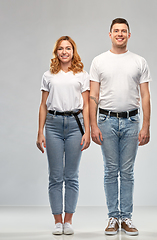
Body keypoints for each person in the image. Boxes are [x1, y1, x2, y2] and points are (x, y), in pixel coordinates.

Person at [89, 18, 151, 236]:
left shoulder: (139, 61)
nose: (120, 34)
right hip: (106, 121)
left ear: (129, 35)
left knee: (127, 172)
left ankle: (126, 217)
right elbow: (93, 95)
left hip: (132, 121)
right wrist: (92, 125)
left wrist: (146, 125)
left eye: (123, 31)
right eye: (116, 31)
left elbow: (145, 95)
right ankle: (112, 217)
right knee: (110, 171)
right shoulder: (99, 61)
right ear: (110, 34)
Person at [36, 36, 90, 235]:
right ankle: (57, 221)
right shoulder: (49, 75)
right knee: (56, 176)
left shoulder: (82, 75)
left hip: (76, 125)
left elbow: (86, 105)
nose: (64, 52)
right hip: (53, 125)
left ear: (73, 51)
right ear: (56, 52)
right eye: (61, 49)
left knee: (72, 176)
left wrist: (88, 132)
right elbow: (43, 105)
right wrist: (40, 131)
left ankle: (68, 220)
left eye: (68, 48)